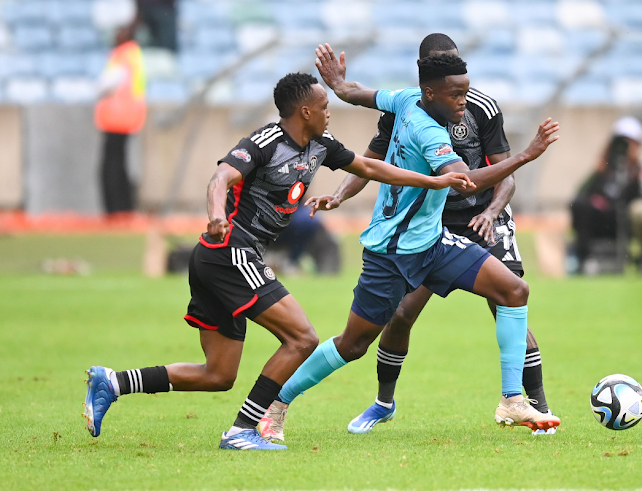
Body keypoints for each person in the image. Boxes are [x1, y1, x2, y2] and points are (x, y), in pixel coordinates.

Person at [83, 72, 474, 451]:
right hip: (229, 250)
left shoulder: (321, 145)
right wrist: (216, 214)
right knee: (302, 338)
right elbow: (220, 179)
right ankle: (242, 430)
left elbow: (369, 167)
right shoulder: (266, 140)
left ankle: (112, 383)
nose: (329, 112)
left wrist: (435, 181)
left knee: (218, 374)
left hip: (224, 259)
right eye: (324, 106)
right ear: (305, 112)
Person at [256, 44, 561, 443]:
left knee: (514, 290)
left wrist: (339, 84)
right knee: (353, 343)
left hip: (432, 243)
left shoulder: (404, 97)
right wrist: (527, 154)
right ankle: (277, 402)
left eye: (466, 92)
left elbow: (355, 94)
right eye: (456, 95)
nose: (463, 102)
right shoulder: (427, 130)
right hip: (392, 253)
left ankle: (512, 399)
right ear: (431, 94)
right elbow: (465, 180)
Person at [570, 116, 642, 275]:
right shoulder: (604, 167)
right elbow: (581, 193)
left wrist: (635, 170)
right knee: (580, 205)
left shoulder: (641, 171)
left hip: (627, 220)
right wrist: (599, 170)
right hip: (603, 219)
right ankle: (585, 259)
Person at [95, 25, 147, 217]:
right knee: (121, 163)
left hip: (115, 117)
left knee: (111, 166)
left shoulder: (122, 56)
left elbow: (104, 84)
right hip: (128, 117)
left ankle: (115, 209)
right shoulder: (134, 55)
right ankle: (124, 207)